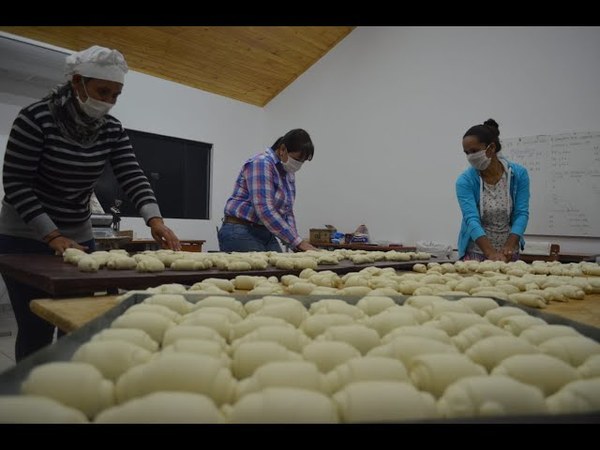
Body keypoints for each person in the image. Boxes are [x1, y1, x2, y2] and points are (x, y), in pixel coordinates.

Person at [0, 45, 181, 361]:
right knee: (36, 329)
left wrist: (155, 220)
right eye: (103, 91)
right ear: (77, 82)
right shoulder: (35, 118)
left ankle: (72, 387)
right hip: (25, 237)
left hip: (79, 238)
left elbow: (132, 175)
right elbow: (16, 183)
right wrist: (52, 235)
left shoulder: (110, 129)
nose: (108, 101)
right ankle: (32, 396)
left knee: (78, 322)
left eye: (115, 95)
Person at [218, 129, 317, 253]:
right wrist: (298, 242)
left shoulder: (288, 173)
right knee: (260, 272)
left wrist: (295, 244)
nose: (298, 164)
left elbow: (287, 212)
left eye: (302, 162)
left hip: (266, 231)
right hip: (240, 229)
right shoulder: (261, 163)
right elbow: (264, 209)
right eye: (297, 159)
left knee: (281, 271)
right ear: (282, 150)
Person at [455, 118, 530, 262]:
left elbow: (522, 213)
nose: (471, 157)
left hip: (509, 252)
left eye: (475, 151)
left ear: (492, 148)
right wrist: (490, 253)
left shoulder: (518, 175)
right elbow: (471, 219)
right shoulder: (465, 181)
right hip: (476, 252)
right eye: (467, 153)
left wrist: (508, 247)